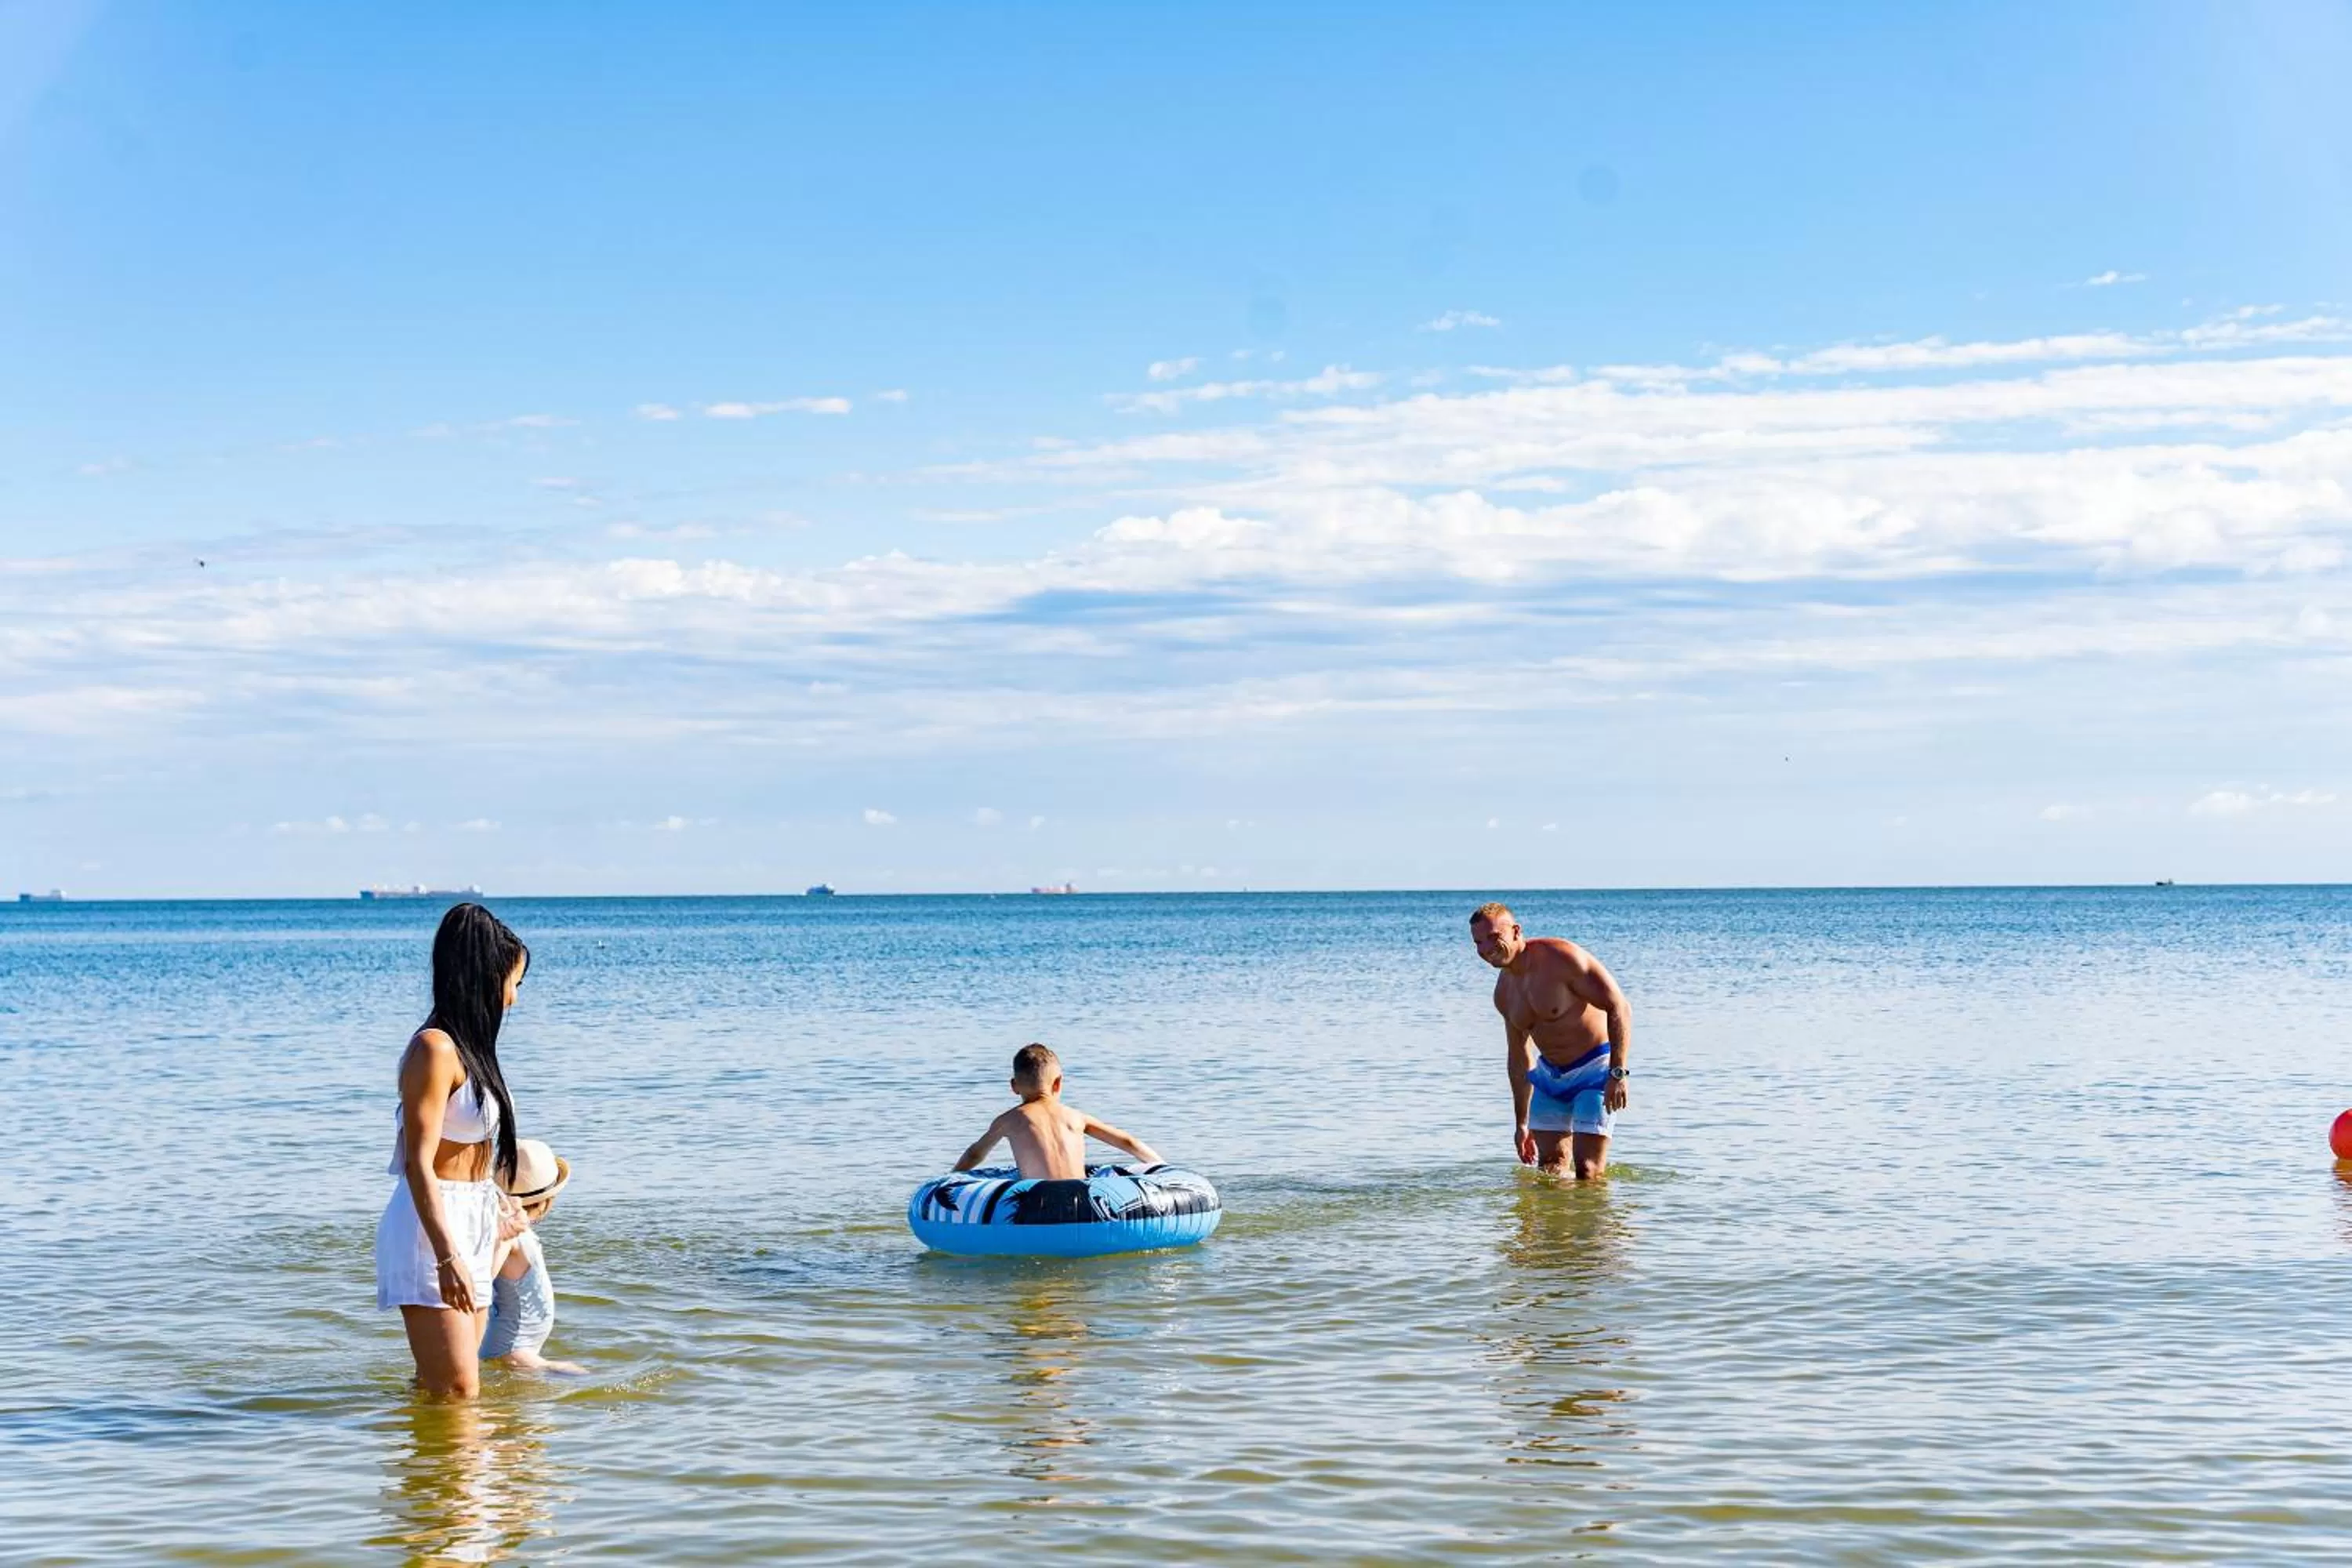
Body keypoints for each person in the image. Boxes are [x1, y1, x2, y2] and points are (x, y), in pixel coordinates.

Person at [376, 902, 532, 1398]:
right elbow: (419, 1163)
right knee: (459, 1391)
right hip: (431, 1228)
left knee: (444, 1388)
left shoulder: (473, 1053)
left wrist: (498, 1208)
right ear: (485, 977)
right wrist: (447, 1257)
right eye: (515, 983)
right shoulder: (434, 1049)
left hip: (473, 1218)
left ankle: (433, 1472)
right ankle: (439, 1472)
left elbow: (475, 1152)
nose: (513, 999)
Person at [1470, 901, 1633, 1180]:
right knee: (1550, 1171)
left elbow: (1619, 1006)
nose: (1486, 949)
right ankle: (1558, 1225)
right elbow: (1519, 1058)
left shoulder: (1561, 959)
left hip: (1594, 1071)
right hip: (1550, 1078)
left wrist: (1617, 1073)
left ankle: (1600, 1223)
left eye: (1494, 937)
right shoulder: (1504, 993)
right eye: (1478, 942)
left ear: (1516, 931)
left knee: (1588, 1171)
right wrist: (1521, 1123)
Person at [953, 1044, 1162, 1179]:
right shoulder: (1076, 1117)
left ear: (1014, 1086)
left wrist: (950, 1178)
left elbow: (975, 1154)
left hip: (1041, 1206)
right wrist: (1163, 1168)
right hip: (1084, 1202)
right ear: (1058, 1084)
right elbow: (1128, 1142)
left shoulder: (1009, 1120)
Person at [481, 1137, 584, 1375]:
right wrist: (501, 1240)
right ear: (547, 1201)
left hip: (516, 1344)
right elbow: (484, 1279)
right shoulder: (510, 1235)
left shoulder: (516, 1231)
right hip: (511, 1348)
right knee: (574, 1377)